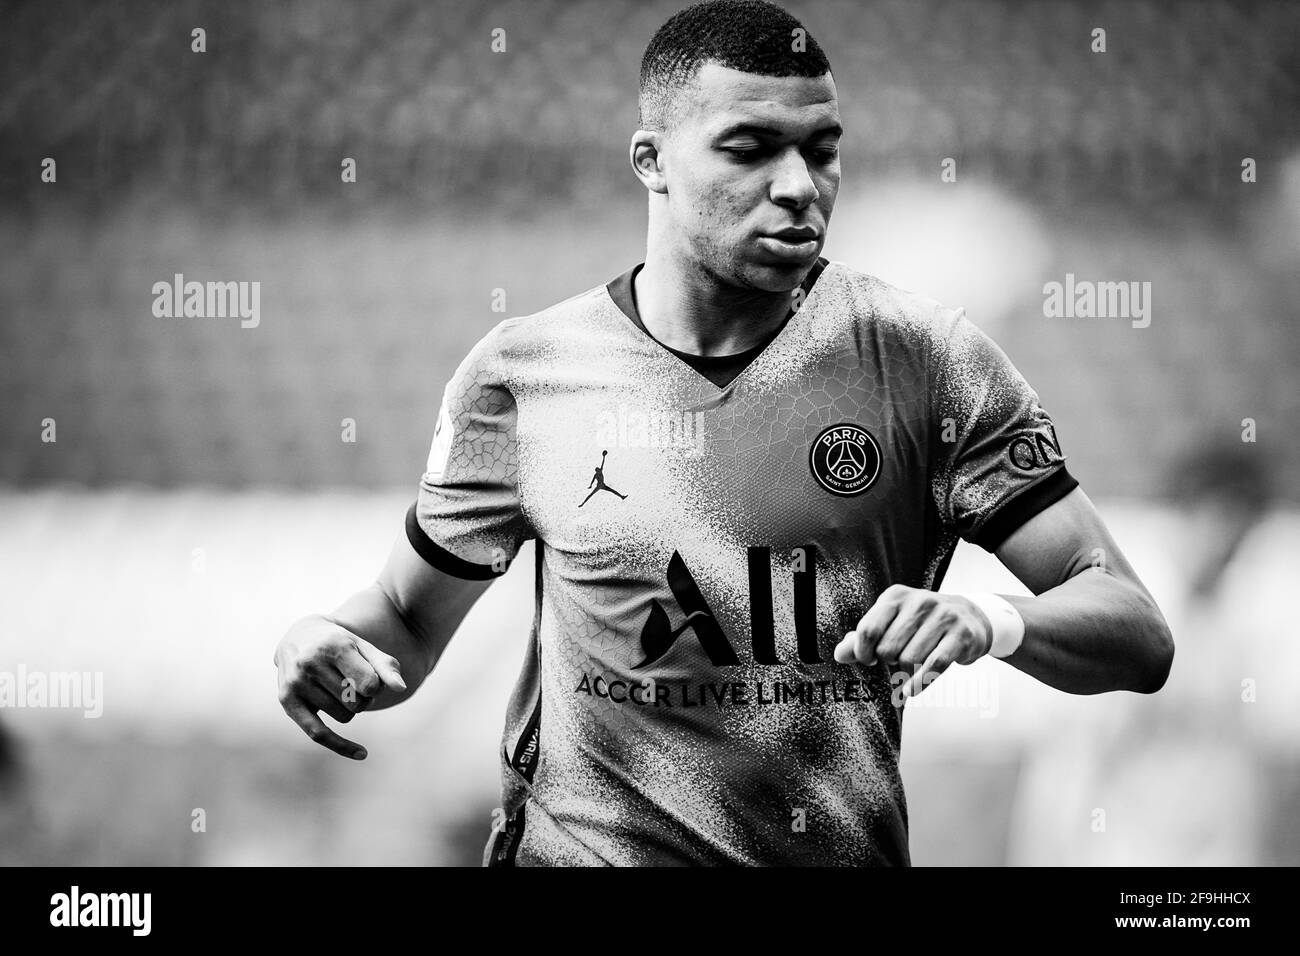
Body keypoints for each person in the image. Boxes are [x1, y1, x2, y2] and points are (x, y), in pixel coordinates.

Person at [274, 0, 1172, 866]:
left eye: (822, 151)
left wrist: (989, 620)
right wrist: (320, 640)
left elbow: (1135, 631)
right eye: (747, 149)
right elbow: (403, 618)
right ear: (651, 160)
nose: (797, 186)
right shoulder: (526, 377)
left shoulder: (927, 363)